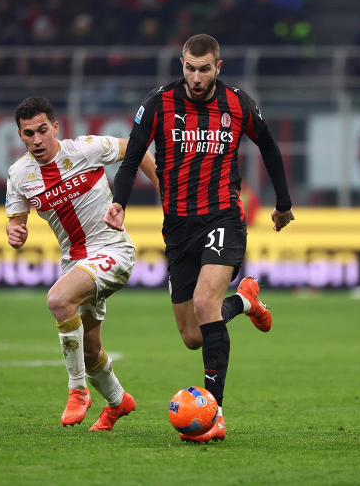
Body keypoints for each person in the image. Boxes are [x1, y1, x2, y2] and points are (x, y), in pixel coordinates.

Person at [104, 34, 295, 443]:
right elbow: (132, 158)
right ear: (182, 64)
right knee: (193, 336)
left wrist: (282, 203)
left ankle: (215, 414)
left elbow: (269, 146)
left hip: (223, 217)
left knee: (206, 304)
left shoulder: (238, 104)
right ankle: (244, 301)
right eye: (190, 68)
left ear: (218, 67)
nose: (196, 77)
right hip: (177, 229)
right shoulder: (159, 103)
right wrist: (119, 202)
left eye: (204, 69)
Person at [5, 97, 160, 432]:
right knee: (90, 353)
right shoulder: (19, 175)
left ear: (55, 127)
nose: (37, 140)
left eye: (42, 130)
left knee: (58, 300)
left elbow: (136, 148)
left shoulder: (84, 149)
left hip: (113, 250)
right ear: (20, 136)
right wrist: (15, 233)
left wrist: (167, 196)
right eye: (29, 133)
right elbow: (16, 222)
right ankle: (118, 402)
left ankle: (77, 390)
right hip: (75, 263)